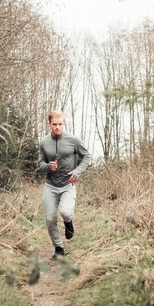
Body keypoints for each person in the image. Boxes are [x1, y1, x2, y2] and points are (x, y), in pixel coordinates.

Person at [39, 110, 92, 259]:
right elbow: (40, 164)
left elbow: (87, 156)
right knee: (50, 219)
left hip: (68, 184)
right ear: (49, 125)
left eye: (60, 124)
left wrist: (77, 172)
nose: (57, 127)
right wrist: (48, 166)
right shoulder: (44, 142)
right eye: (54, 124)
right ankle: (59, 248)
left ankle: (69, 223)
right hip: (50, 185)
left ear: (64, 124)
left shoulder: (73, 140)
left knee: (66, 212)